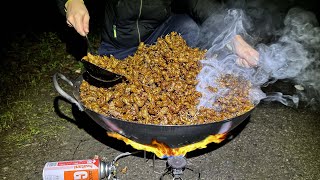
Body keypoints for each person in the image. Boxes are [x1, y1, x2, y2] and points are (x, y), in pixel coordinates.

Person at [56, 0, 259, 68]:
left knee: (190, 27)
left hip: (158, 36)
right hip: (120, 45)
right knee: (106, 83)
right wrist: (72, 2)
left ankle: (199, 68)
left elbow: (200, 3)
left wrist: (233, 38)